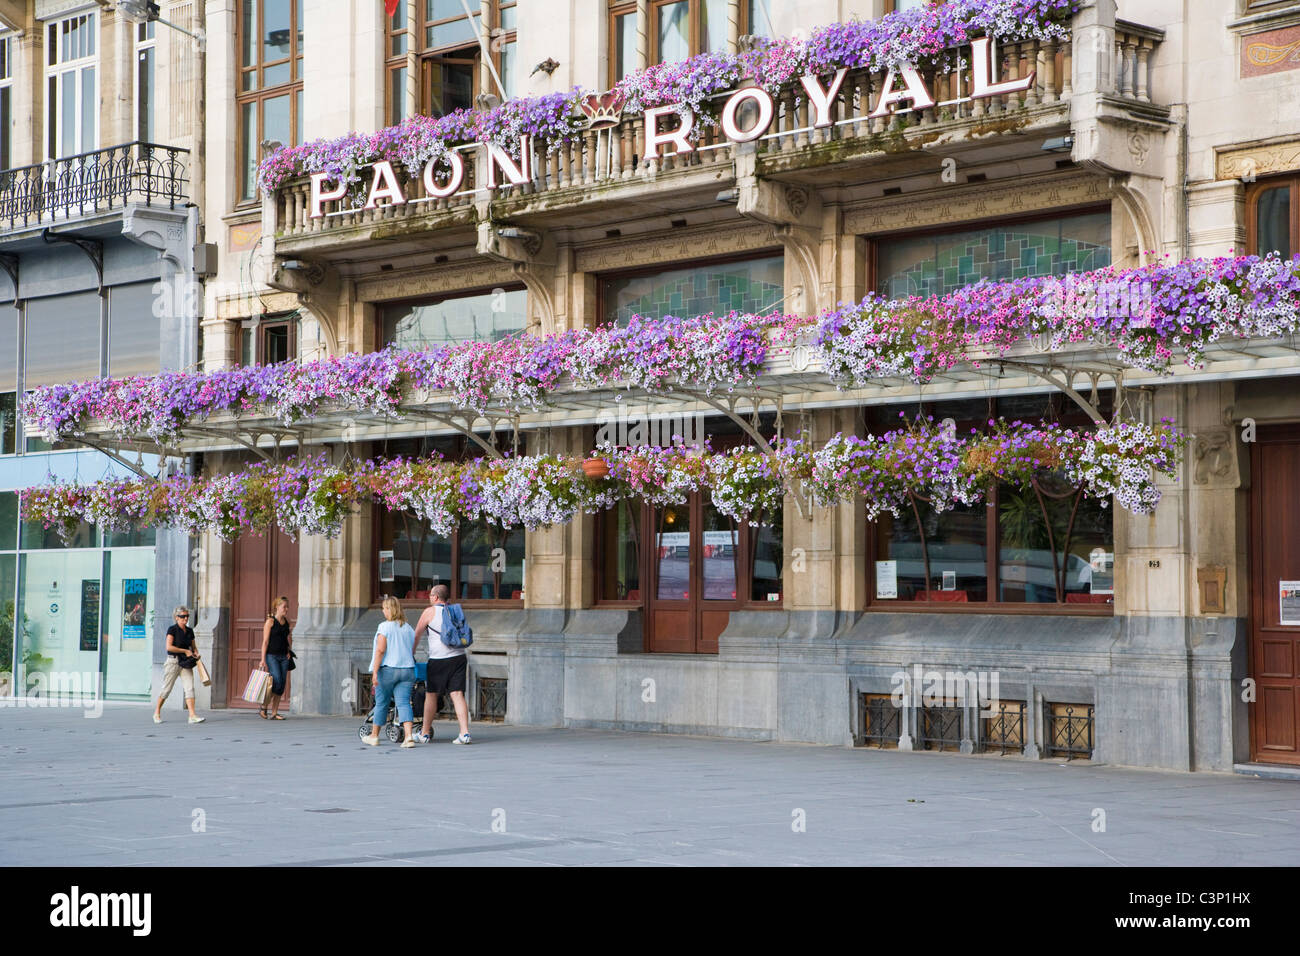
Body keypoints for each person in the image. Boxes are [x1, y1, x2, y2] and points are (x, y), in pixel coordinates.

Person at [412, 584, 471, 745]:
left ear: (436, 597)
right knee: (458, 694)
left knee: (431, 695)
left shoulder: (429, 612)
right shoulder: (455, 611)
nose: (429, 598)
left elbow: (416, 635)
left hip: (439, 659)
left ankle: (424, 733)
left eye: (431, 595)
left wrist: (410, 654)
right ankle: (464, 733)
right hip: (459, 657)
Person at [362, 595, 418, 748]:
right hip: (407, 670)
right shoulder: (408, 628)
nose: (383, 611)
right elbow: (411, 648)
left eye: (384, 608)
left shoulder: (384, 627)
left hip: (388, 670)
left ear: (389, 609)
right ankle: (408, 737)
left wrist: (374, 672)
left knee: (382, 703)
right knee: (404, 703)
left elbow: (380, 650)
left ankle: (374, 736)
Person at [153, 606, 205, 724]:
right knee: (167, 689)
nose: (185, 618)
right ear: (176, 617)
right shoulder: (172, 629)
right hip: (173, 661)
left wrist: (195, 653)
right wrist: (185, 651)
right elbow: (169, 647)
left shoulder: (190, 631)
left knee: (189, 688)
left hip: (186, 663)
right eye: (182, 616)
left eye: (187, 616)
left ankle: (192, 715)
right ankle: (157, 712)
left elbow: (193, 647)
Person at [260, 596, 294, 719]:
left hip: (284, 657)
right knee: (277, 680)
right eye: (284, 606)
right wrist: (263, 659)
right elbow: (265, 642)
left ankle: (274, 713)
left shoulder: (286, 623)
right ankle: (264, 706)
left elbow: (285, 639)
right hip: (272, 656)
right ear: (277, 607)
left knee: (282, 684)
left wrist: (288, 650)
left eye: (287, 606)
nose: (287, 609)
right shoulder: (270, 622)